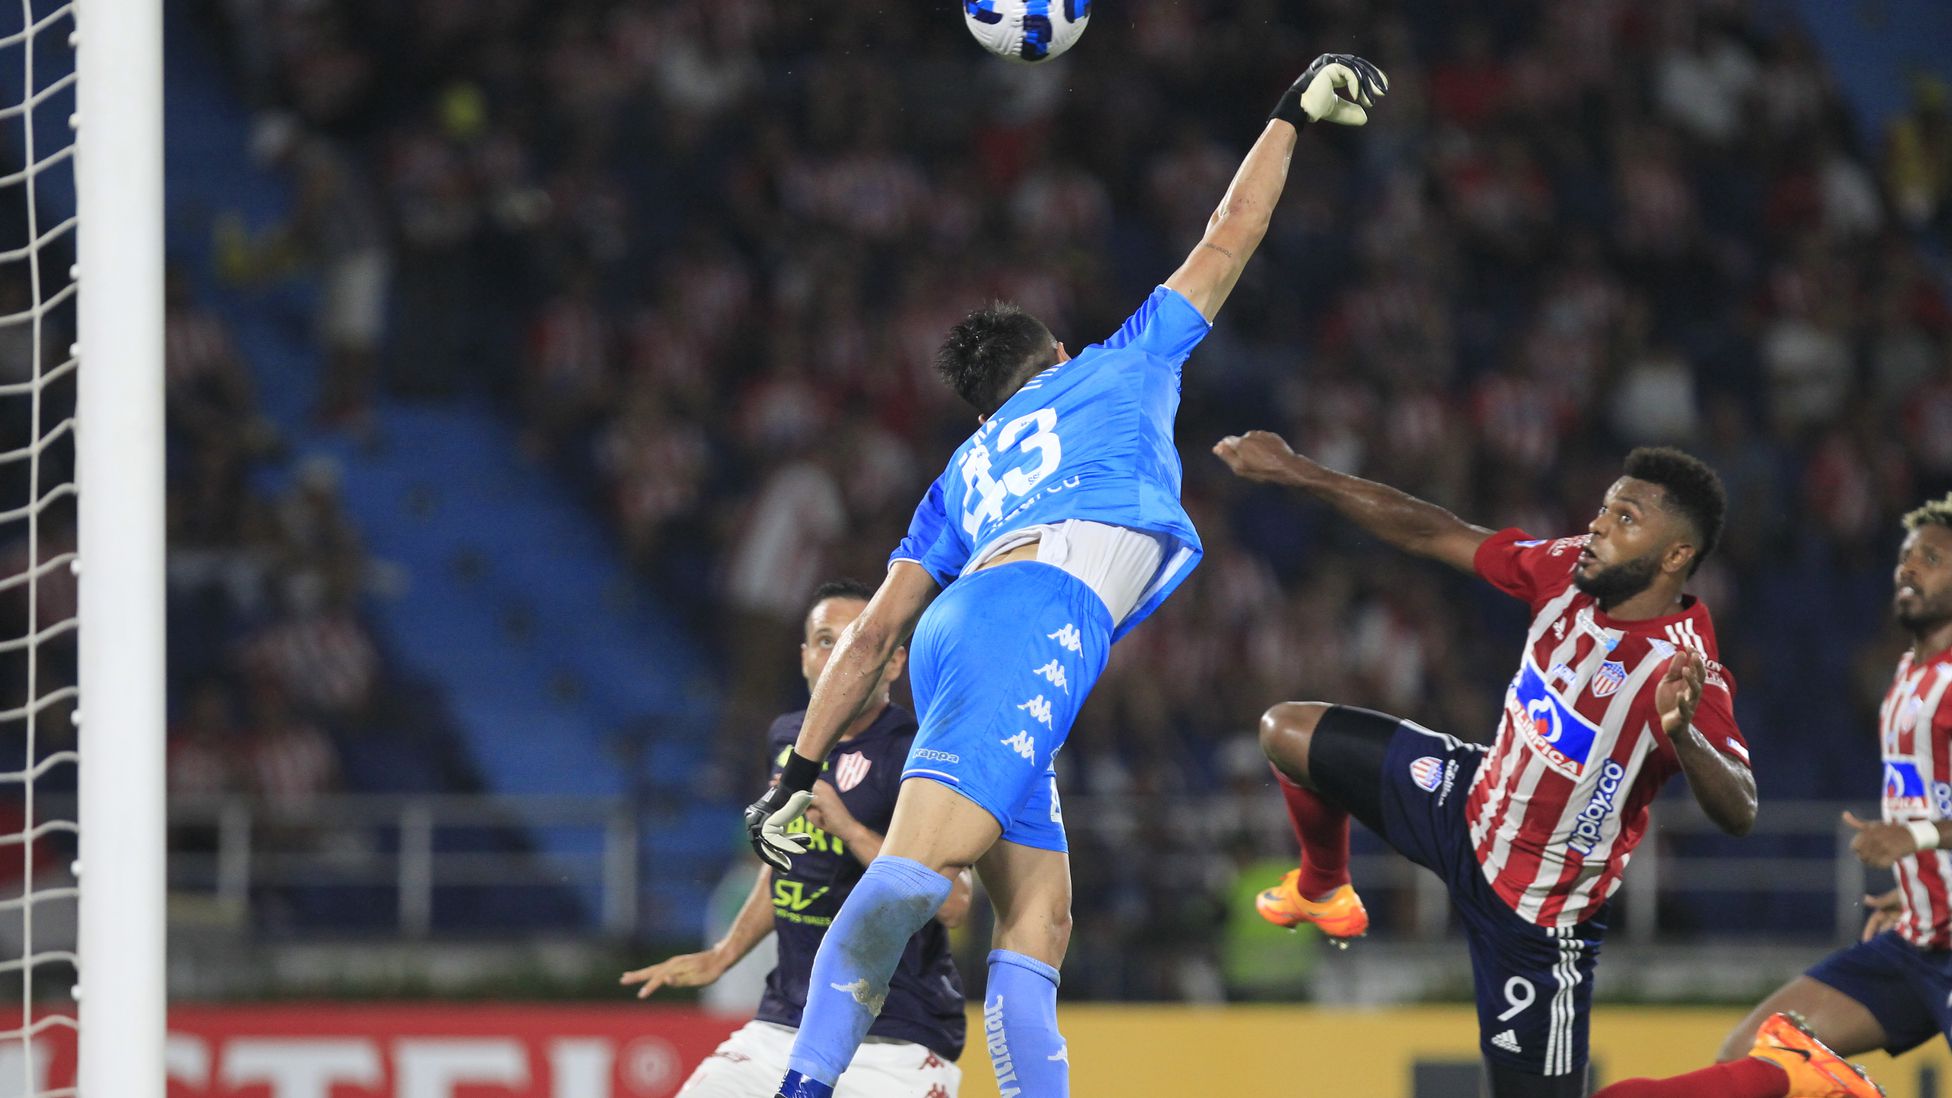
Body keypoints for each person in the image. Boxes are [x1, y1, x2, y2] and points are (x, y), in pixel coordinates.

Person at [738, 54, 1391, 1098]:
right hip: (1036, 612)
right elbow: (1228, 236)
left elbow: (871, 643)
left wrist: (792, 768)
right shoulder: (1115, 363)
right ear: (1050, 353)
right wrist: (1289, 116)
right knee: (912, 874)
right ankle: (804, 1087)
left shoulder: (956, 472)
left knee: (1039, 912)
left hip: (968, 625)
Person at [1212, 432, 1758, 1098]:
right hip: (1465, 801)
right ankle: (1324, 887)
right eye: (1605, 509)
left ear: (1676, 555)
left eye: (1625, 519)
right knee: (1285, 732)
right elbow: (1434, 532)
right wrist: (1299, 472)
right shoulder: (1564, 572)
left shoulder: (1682, 670)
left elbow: (1741, 809)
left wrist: (1686, 737)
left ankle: (1775, 1075)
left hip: (1536, 917)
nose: (1597, 525)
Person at [1584, 496, 1952, 1098]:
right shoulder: (1910, 676)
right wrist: (1923, 881)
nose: (1909, 570)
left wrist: (1917, 840)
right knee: (1757, 1056)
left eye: (1932, 559)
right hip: (1917, 939)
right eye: (1908, 557)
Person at [622, 580, 973, 1097]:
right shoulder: (787, 738)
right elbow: (784, 866)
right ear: (805, 657)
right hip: (784, 1025)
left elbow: (955, 903)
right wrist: (724, 954)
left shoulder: (921, 754)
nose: (838, 655)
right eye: (825, 640)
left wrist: (851, 830)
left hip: (894, 1035)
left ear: (894, 661)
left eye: (856, 638)